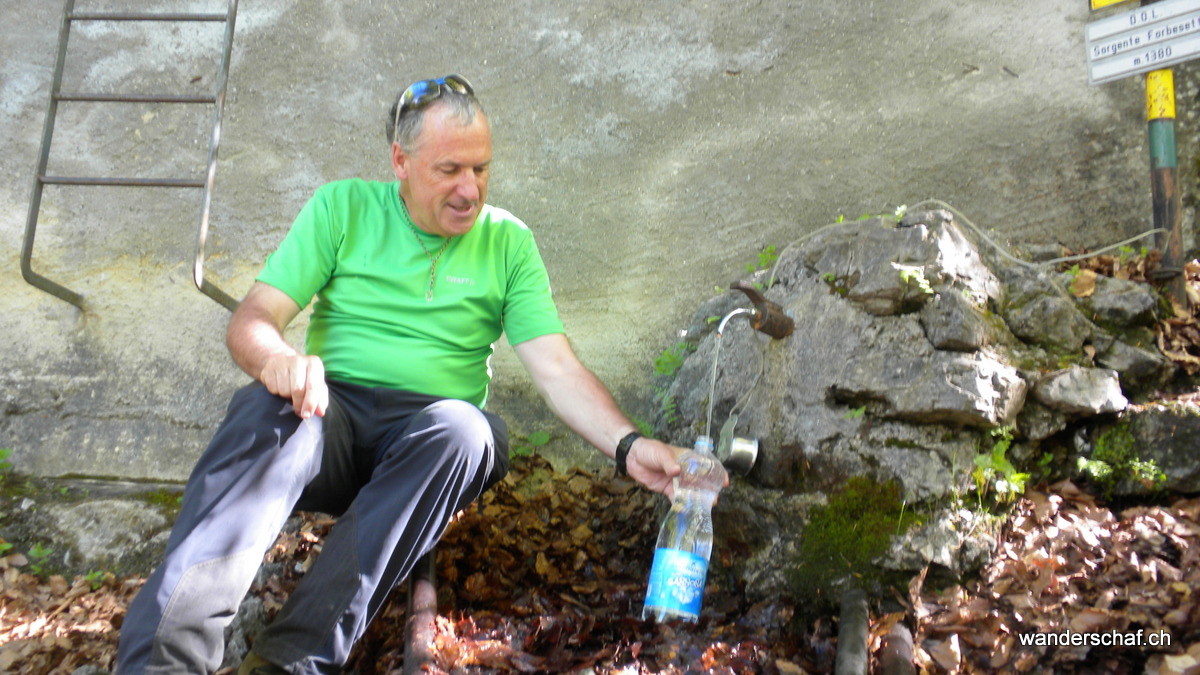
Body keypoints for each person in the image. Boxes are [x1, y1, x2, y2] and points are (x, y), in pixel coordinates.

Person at [114, 74, 719, 674]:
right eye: (449, 170)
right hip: (332, 416)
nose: (469, 189)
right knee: (261, 411)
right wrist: (278, 360)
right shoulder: (342, 208)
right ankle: (160, 662)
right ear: (400, 161)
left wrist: (630, 446)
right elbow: (254, 317)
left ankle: (288, 662)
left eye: (481, 169)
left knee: (467, 429)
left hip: (431, 439)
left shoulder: (508, 243)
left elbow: (557, 367)